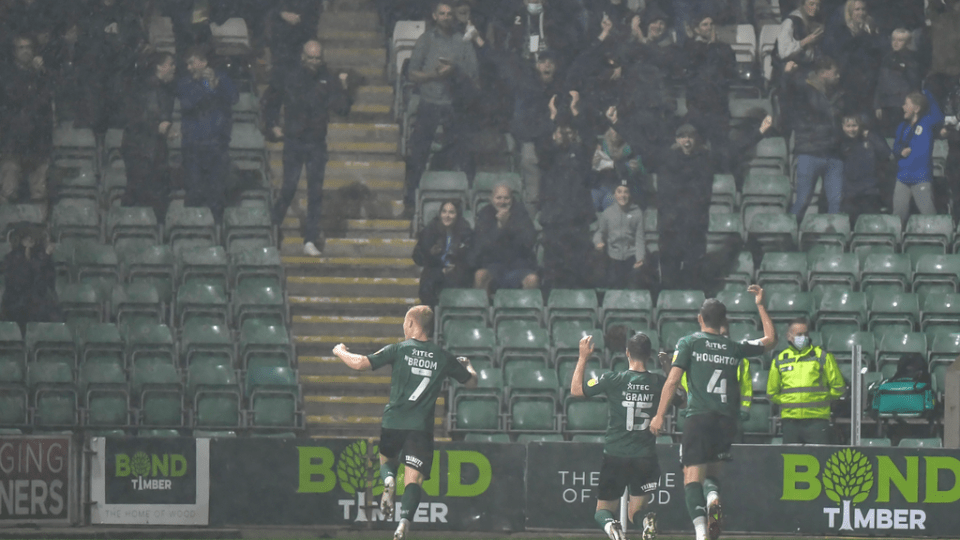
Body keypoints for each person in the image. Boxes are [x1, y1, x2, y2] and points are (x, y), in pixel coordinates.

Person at [331, 305, 478, 540]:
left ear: (411, 323)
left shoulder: (399, 349)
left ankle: (389, 479)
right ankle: (403, 524)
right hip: (420, 428)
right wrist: (468, 365)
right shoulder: (443, 356)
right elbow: (471, 382)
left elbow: (360, 364)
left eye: (404, 322)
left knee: (387, 460)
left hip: (393, 422)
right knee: (414, 480)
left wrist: (340, 351)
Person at [649, 286, 776, 540]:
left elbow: (672, 381)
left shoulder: (689, 343)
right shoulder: (734, 347)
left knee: (691, 478)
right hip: (726, 421)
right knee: (712, 475)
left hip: (699, 418)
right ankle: (713, 498)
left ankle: (700, 532)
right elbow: (771, 340)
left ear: (700, 319)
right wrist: (761, 305)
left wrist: (659, 415)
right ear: (724, 321)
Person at [263, 40, 352, 257]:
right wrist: (272, 125)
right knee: (288, 188)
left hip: (316, 143)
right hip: (294, 141)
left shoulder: (328, 79)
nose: (313, 62)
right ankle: (271, 229)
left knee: (315, 193)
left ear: (322, 58)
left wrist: (344, 88)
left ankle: (310, 239)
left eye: (317, 58)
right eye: (310, 57)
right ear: (303, 56)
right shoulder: (290, 75)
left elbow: (342, 109)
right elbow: (270, 100)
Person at [571, 333, 663, 540]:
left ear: (627, 353)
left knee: (602, 511)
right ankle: (645, 521)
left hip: (615, 455)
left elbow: (576, 390)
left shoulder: (612, 379)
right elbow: (682, 400)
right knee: (635, 512)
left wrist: (583, 357)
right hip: (645, 456)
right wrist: (667, 368)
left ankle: (612, 527)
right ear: (649, 355)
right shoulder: (659, 382)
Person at [403, 0, 479, 218]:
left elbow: (474, 75)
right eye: (442, 13)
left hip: (455, 106)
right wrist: (434, 76)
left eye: (449, 14)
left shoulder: (462, 42)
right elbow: (412, 73)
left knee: (464, 156)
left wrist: (454, 71)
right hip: (429, 104)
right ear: (434, 16)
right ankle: (410, 203)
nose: (446, 17)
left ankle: (466, 204)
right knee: (418, 155)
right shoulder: (426, 40)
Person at [176, 45, 238, 224]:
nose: (189, 68)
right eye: (187, 65)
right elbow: (188, 103)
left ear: (203, 62)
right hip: (193, 147)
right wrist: (205, 87)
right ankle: (192, 229)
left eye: (191, 63)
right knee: (194, 191)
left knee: (217, 193)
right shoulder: (185, 82)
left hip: (217, 146)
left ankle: (216, 230)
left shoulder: (221, 78)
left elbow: (234, 98)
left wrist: (216, 86)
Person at [538, 102, 595, 291]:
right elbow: (543, 144)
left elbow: (590, 141)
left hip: (577, 222)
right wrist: (552, 117)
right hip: (554, 222)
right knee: (553, 271)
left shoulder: (579, 154)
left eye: (568, 132)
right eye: (559, 132)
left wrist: (576, 112)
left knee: (579, 270)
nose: (563, 135)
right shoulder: (547, 157)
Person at [781, 57, 845, 221]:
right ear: (823, 73)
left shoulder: (838, 93)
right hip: (810, 152)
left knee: (836, 203)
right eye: (835, 72)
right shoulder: (804, 89)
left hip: (833, 154)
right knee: (802, 200)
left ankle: (833, 234)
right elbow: (786, 95)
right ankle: (790, 231)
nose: (838, 76)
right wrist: (787, 75)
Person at [767, 317, 846, 444]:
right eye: (799, 334)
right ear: (789, 336)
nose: (803, 338)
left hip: (817, 420)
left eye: (806, 334)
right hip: (790, 422)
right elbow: (772, 392)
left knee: (818, 455)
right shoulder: (780, 360)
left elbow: (839, 387)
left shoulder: (822, 357)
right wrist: (789, 402)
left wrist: (823, 399)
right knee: (791, 456)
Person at [120, 51, 176, 222]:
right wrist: (157, 127)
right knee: (143, 194)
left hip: (149, 150)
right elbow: (138, 117)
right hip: (143, 151)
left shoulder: (160, 89)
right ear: (159, 67)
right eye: (171, 64)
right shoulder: (148, 89)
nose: (174, 68)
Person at [0, 35, 53, 206]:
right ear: (14, 52)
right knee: (9, 191)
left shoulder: (41, 74)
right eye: (21, 48)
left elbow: (46, 99)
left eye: (28, 47)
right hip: (12, 142)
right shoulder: (6, 75)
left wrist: (39, 73)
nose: (25, 51)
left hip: (38, 141)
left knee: (39, 193)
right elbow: (15, 97)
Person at [469, 183, 539, 293]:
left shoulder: (521, 214)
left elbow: (529, 242)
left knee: (532, 279)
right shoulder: (484, 214)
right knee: (480, 276)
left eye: (506, 198)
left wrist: (507, 226)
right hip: (493, 265)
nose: (502, 202)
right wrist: (499, 227)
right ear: (491, 199)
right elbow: (481, 245)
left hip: (519, 266)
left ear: (512, 199)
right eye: (499, 198)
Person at [892, 90, 944, 225]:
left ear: (916, 108)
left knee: (929, 216)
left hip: (921, 178)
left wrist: (927, 92)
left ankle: (935, 236)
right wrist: (900, 151)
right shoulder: (902, 127)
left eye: (906, 104)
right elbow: (895, 147)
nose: (903, 107)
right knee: (898, 217)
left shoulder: (927, 123)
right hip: (902, 178)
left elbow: (939, 117)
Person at [822, 0, 883, 117]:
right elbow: (841, 53)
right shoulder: (841, 30)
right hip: (847, 83)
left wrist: (870, 33)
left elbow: (876, 55)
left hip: (867, 85)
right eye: (857, 9)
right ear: (850, 12)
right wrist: (860, 34)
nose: (861, 13)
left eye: (863, 9)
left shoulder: (871, 29)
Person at [0, 225, 61, 334]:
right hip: (15, 302)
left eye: (32, 239)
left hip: (38, 303)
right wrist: (44, 257)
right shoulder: (10, 258)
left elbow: (49, 280)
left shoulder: (44, 259)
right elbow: (22, 279)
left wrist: (45, 258)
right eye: (27, 239)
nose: (30, 242)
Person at [412, 200, 474, 306]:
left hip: (458, 271)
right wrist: (430, 253)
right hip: (436, 269)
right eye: (444, 212)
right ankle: (430, 313)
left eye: (451, 212)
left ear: (457, 215)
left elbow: (471, 257)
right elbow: (417, 256)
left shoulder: (465, 231)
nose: (447, 216)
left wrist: (456, 265)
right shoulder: (431, 230)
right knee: (428, 282)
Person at [839, 114, 891, 223]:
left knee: (870, 224)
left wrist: (870, 136)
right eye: (848, 126)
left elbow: (886, 153)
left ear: (861, 126)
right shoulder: (840, 142)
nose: (851, 129)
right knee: (851, 225)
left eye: (854, 126)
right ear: (843, 127)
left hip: (870, 191)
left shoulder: (870, 139)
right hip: (850, 193)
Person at [594, 183, 645, 290]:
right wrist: (598, 242)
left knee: (632, 288)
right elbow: (600, 232)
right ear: (614, 195)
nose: (622, 195)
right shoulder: (607, 213)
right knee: (613, 288)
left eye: (626, 192)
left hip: (631, 258)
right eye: (619, 192)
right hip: (613, 258)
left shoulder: (637, 213)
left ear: (630, 194)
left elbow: (639, 238)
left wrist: (640, 258)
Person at [873, 29, 922, 136]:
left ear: (908, 42)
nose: (895, 43)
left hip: (901, 106)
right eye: (893, 39)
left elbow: (914, 86)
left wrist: (912, 106)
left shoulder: (912, 60)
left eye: (900, 40)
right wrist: (877, 105)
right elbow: (880, 83)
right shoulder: (887, 58)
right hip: (886, 105)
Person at [774, 0, 825, 84]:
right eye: (811, 4)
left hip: (809, 66)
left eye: (818, 5)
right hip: (792, 69)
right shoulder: (790, 21)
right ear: (802, 4)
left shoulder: (813, 21)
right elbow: (783, 52)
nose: (815, 8)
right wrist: (806, 41)